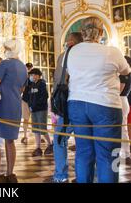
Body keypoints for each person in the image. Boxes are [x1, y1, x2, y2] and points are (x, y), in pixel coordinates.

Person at [67, 16, 130, 183]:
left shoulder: (73, 51)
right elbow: (126, 71)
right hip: (105, 105)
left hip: (76, 104)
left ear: (82, 32)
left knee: (83, 152)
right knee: (108, 154)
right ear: (101, 33)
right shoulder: (111, 51)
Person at [45, 32, 83, 183]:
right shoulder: (87, 55)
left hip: (68, 104)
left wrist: (54, 104)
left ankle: (60, 175)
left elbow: (58, 80)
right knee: (84, 141)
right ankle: (84, 176)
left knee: (59, 139)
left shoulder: (65, 56)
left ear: (71, 41)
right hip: (86, 102)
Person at [0, 39, 28, 183]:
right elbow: (22, 89)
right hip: (15, 105)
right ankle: (10, 174)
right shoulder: (23, 67)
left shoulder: (5, 64)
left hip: (1, 105)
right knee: (10, 141)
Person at [23, 68, 53, 156]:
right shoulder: (31, 85)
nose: (31, 76)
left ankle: (50, 144)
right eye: (30, 75)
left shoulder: (42, 84)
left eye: (33, 75)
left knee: (42, 128)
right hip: (33, 110)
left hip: (41, 109)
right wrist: (30, 105)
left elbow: (44, 97)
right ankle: (38, 147)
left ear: (38, 75)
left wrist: (35, 105)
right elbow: (27, 97)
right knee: (36, 129)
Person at [21, 62, 33, 144]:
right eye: (27, 68)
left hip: (33, 100)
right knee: (26, 119)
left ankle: (40, 135)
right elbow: (22, 89)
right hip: (25, 100)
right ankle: (25, 136)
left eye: (30, 68)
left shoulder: (35, 77)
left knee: (36, 119)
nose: (28, 70)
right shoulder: (23, 77)